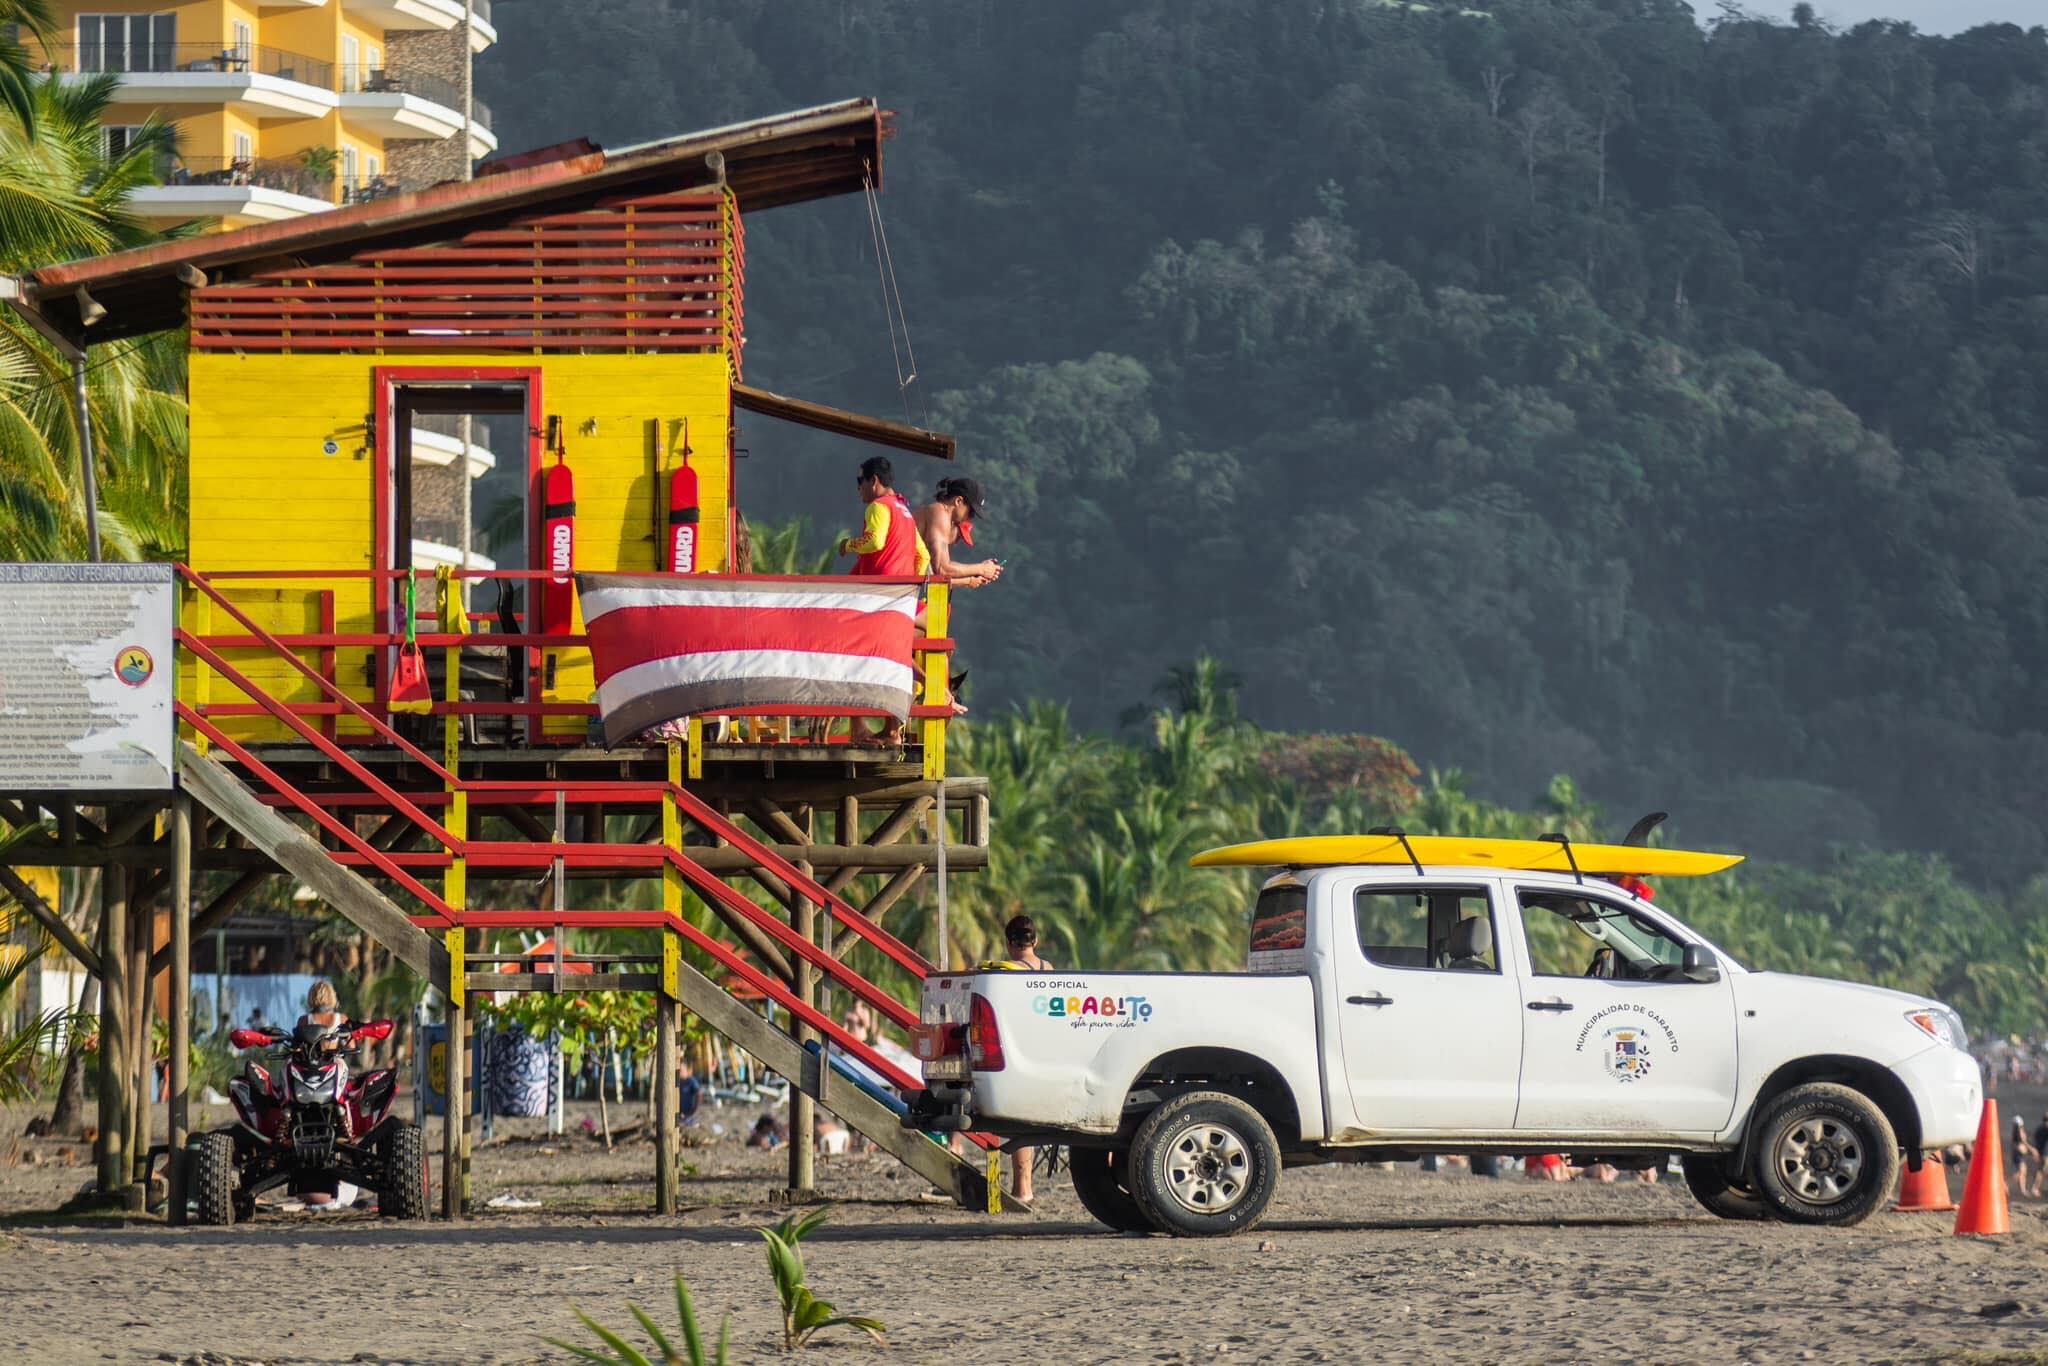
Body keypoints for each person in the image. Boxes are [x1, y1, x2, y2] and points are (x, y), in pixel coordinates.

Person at [837, 456, 932, 745]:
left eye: (860, 482)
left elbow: (874, 542)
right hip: (899, 601)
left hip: (876, 600)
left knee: (851, 656)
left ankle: (859, 728)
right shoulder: (903, 510)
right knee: (895, 662)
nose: (859, 490)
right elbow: (923, 557)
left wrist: (848, 545)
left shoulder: (878, 507)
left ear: (874, 481)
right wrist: (909, 587)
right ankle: (892, 731)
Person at [999, 914, 1052, 1202]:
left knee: (1018, 1124)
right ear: (1036, 941)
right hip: (1044, 1049)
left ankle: (1022, 1189)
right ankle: (1024, 1189)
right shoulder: (1048, 968)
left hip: (1018, 1051)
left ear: (1009, 943)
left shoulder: (1008, 970)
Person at [914, 477, 1003, 589]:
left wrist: (974, 574)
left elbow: (937, 573)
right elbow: (942, 569)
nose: (969, 518)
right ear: (958, 501)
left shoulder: (933, 511)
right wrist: (981, 569)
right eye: (970, 512)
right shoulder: (940, 513)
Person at [676, 1056, 702, 1128]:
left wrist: (695, 1110)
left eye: (681, 1071)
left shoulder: (691, 1081)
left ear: (686, 1070)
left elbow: (699, 1094)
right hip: (682, 1114)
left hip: (690, 1115)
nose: (679, 1073)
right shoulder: (679, 1082)